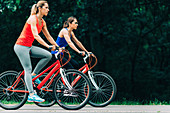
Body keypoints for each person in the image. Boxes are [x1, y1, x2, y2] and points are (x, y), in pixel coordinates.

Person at [14, 0, 59, 103]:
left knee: (47, 55)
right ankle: (31, 94)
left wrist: (57, 47)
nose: (48, 9)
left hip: (29, 47)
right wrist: (48, 46)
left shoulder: (43, 22)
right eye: (46, 7)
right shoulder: (32, 18)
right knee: (27, 69)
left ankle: (35, 74)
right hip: (21, 46)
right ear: (40, 8)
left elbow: (48, 36)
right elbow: (36, 35)